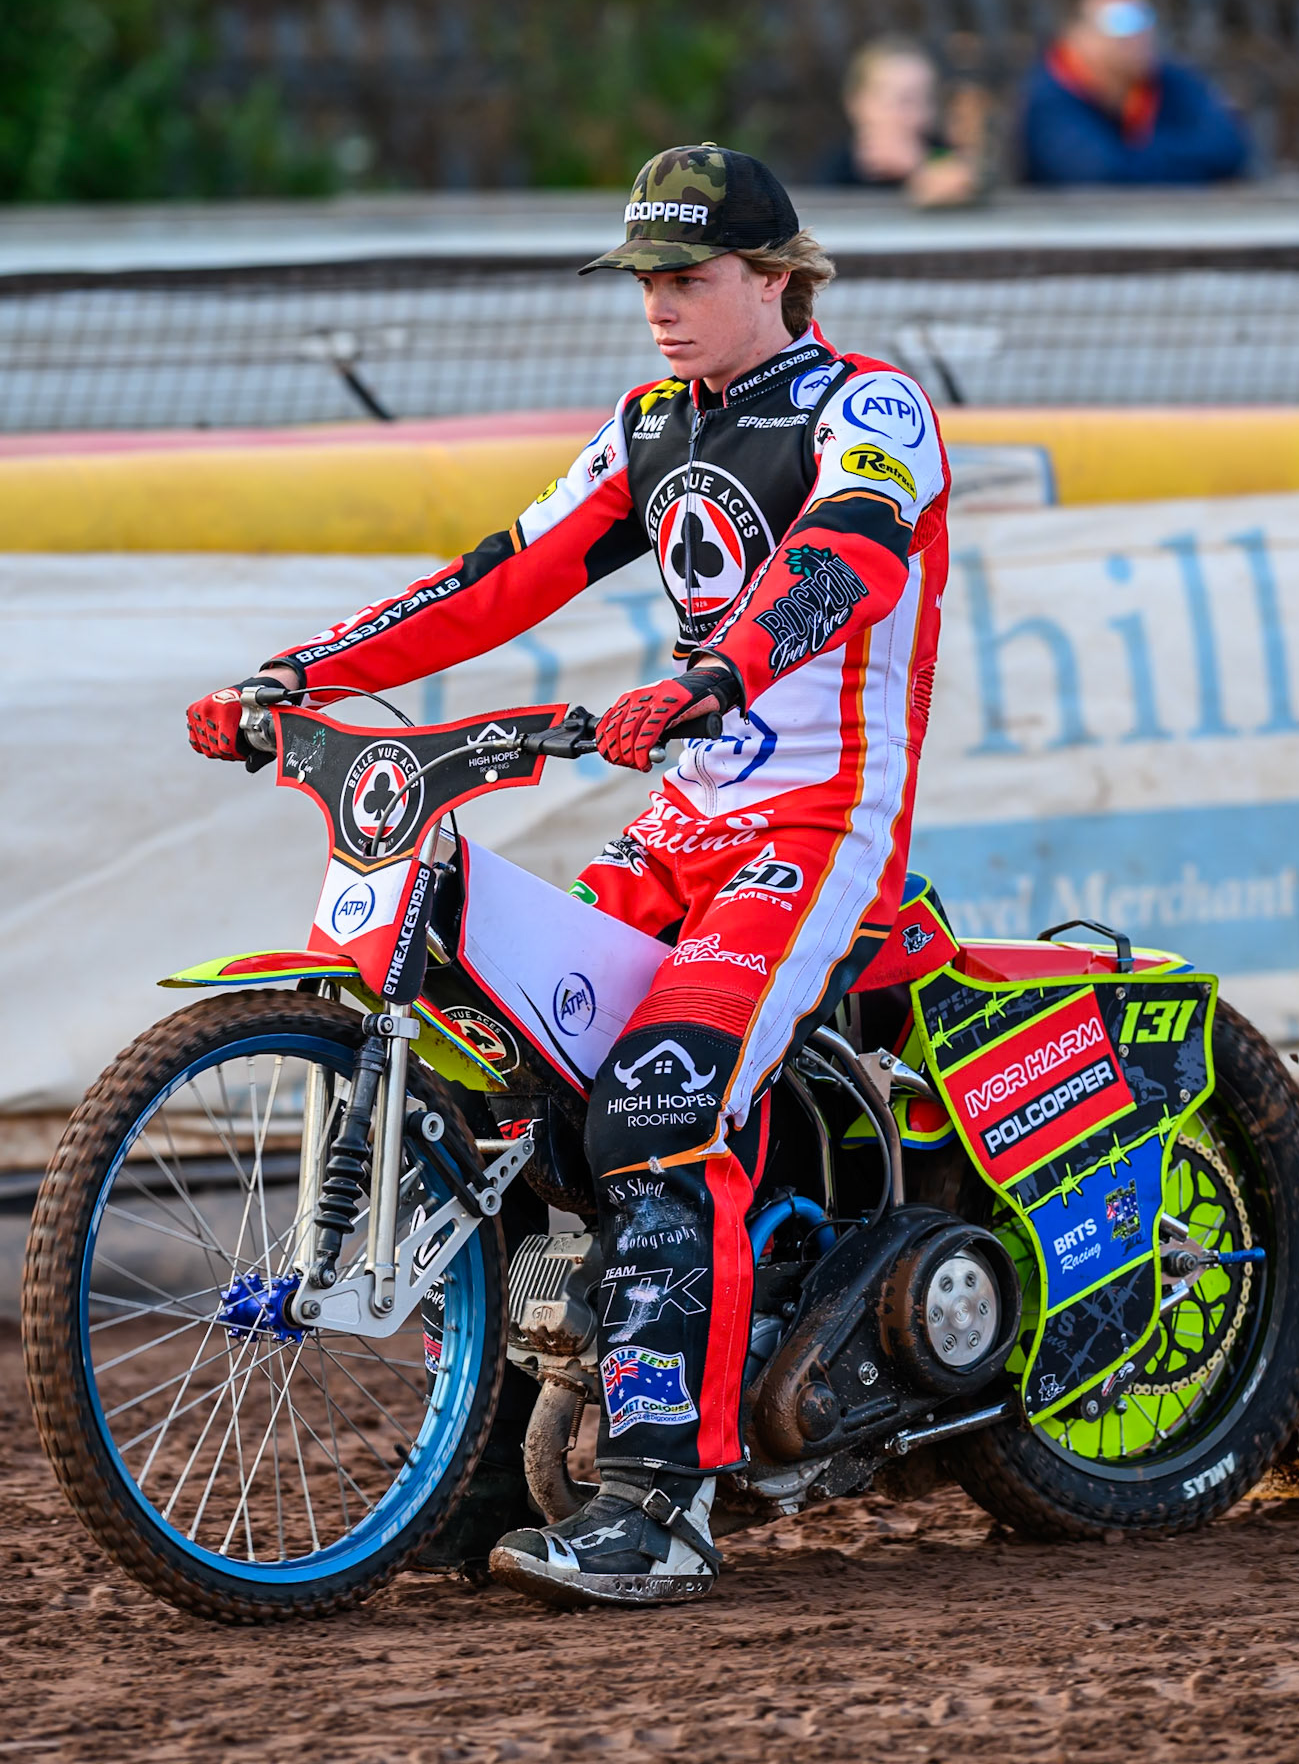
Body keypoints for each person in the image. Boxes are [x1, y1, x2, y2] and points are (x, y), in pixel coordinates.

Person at [185, 143, 950, 1612]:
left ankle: (660, 1503)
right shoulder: (651, 424)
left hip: (819, 831)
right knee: (504, 1077)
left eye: (689, 278)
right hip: (678, 830)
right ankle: (485, 1466)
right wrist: (297, 674)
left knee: (661, 1099)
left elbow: (845, 556)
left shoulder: (873, 407)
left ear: (776, 279)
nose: (660, 307)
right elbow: (498, 578)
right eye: (647, 282)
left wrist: (722, 667)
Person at [1021, 0, 1249, 187]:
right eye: (1121, 22)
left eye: (1145, 18)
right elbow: (1097, 173)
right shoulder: (1052, 91)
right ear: (1079, 34)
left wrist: (1133, 157)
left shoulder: (1172, 79)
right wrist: (1186, 160)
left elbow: (1228, 150)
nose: (1139, 34)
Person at [820, 34, 985, 207]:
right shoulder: (838, 167)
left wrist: (917, 166)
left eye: (927, 100)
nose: (920, 114)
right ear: (858, 103)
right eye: (905, 101)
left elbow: (964, 183)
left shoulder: (938, 152)